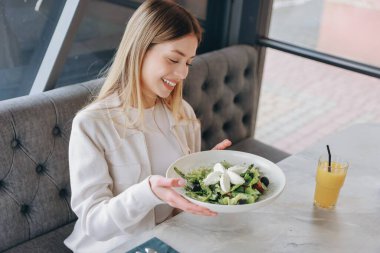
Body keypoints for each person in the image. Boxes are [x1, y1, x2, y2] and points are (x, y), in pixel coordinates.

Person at [64, 0, 232, 252]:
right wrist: (148, 193)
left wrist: (204, 179)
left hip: (169, 239)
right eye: (174, 59)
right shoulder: (92, 124)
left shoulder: (182, 113)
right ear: (139, 50)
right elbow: (94, 224)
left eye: (188, 62)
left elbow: (179, 204)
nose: (183, 73)